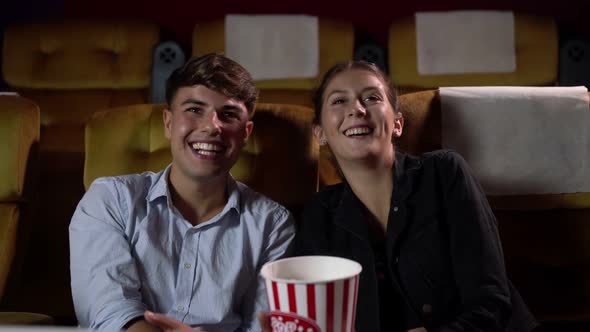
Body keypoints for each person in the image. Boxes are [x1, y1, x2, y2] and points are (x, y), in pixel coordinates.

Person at [292, 60, 539, 332]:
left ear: (397, 123)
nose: (357, 110)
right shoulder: (320, 212)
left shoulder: (444, 172)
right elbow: (319, 318)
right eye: (339, 101)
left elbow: (491, 302)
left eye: (372, 98)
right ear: (320, 133)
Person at [69, 53, 295, 332]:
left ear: (245, 132)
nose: (213, 126)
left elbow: (263, 327)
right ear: (168, 123)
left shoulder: (273, 224)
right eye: (194, 109)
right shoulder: (109, 199)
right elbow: (108, 311)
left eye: (229, 114)